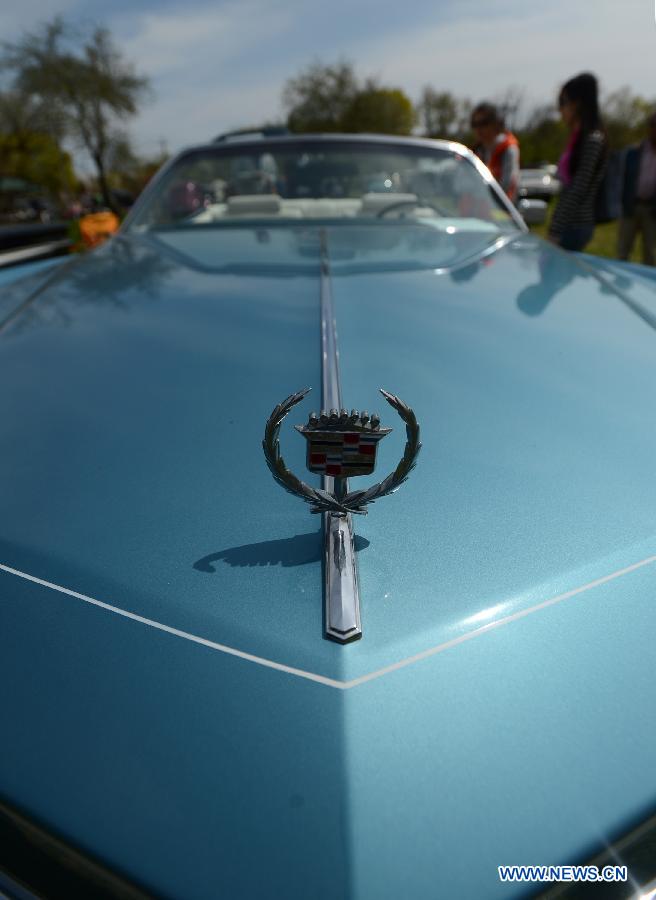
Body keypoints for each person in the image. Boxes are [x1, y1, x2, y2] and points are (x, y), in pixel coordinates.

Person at [548, 72, 607, 251]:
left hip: (575, 226)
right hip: (567, 224)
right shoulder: (577, 139)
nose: (561, 110)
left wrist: (556, 229)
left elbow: (578, 189)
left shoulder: (593, 139)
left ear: (578, 104)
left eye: (563, 103)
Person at [617, 111, 656, 266]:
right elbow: (622, 178)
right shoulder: (634, 151)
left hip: (652, 211)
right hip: (631, 207)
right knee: (623, 251)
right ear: (649, 128)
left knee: (650, 254)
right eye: (654, 125)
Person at [470, 103, 520, 202]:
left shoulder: (508, 149)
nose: (479, 129)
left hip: (501, 211)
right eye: (475, 124)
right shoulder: (475, 152)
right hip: (476, 212)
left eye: (484, 123)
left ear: (495, 124)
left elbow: (508, 184)